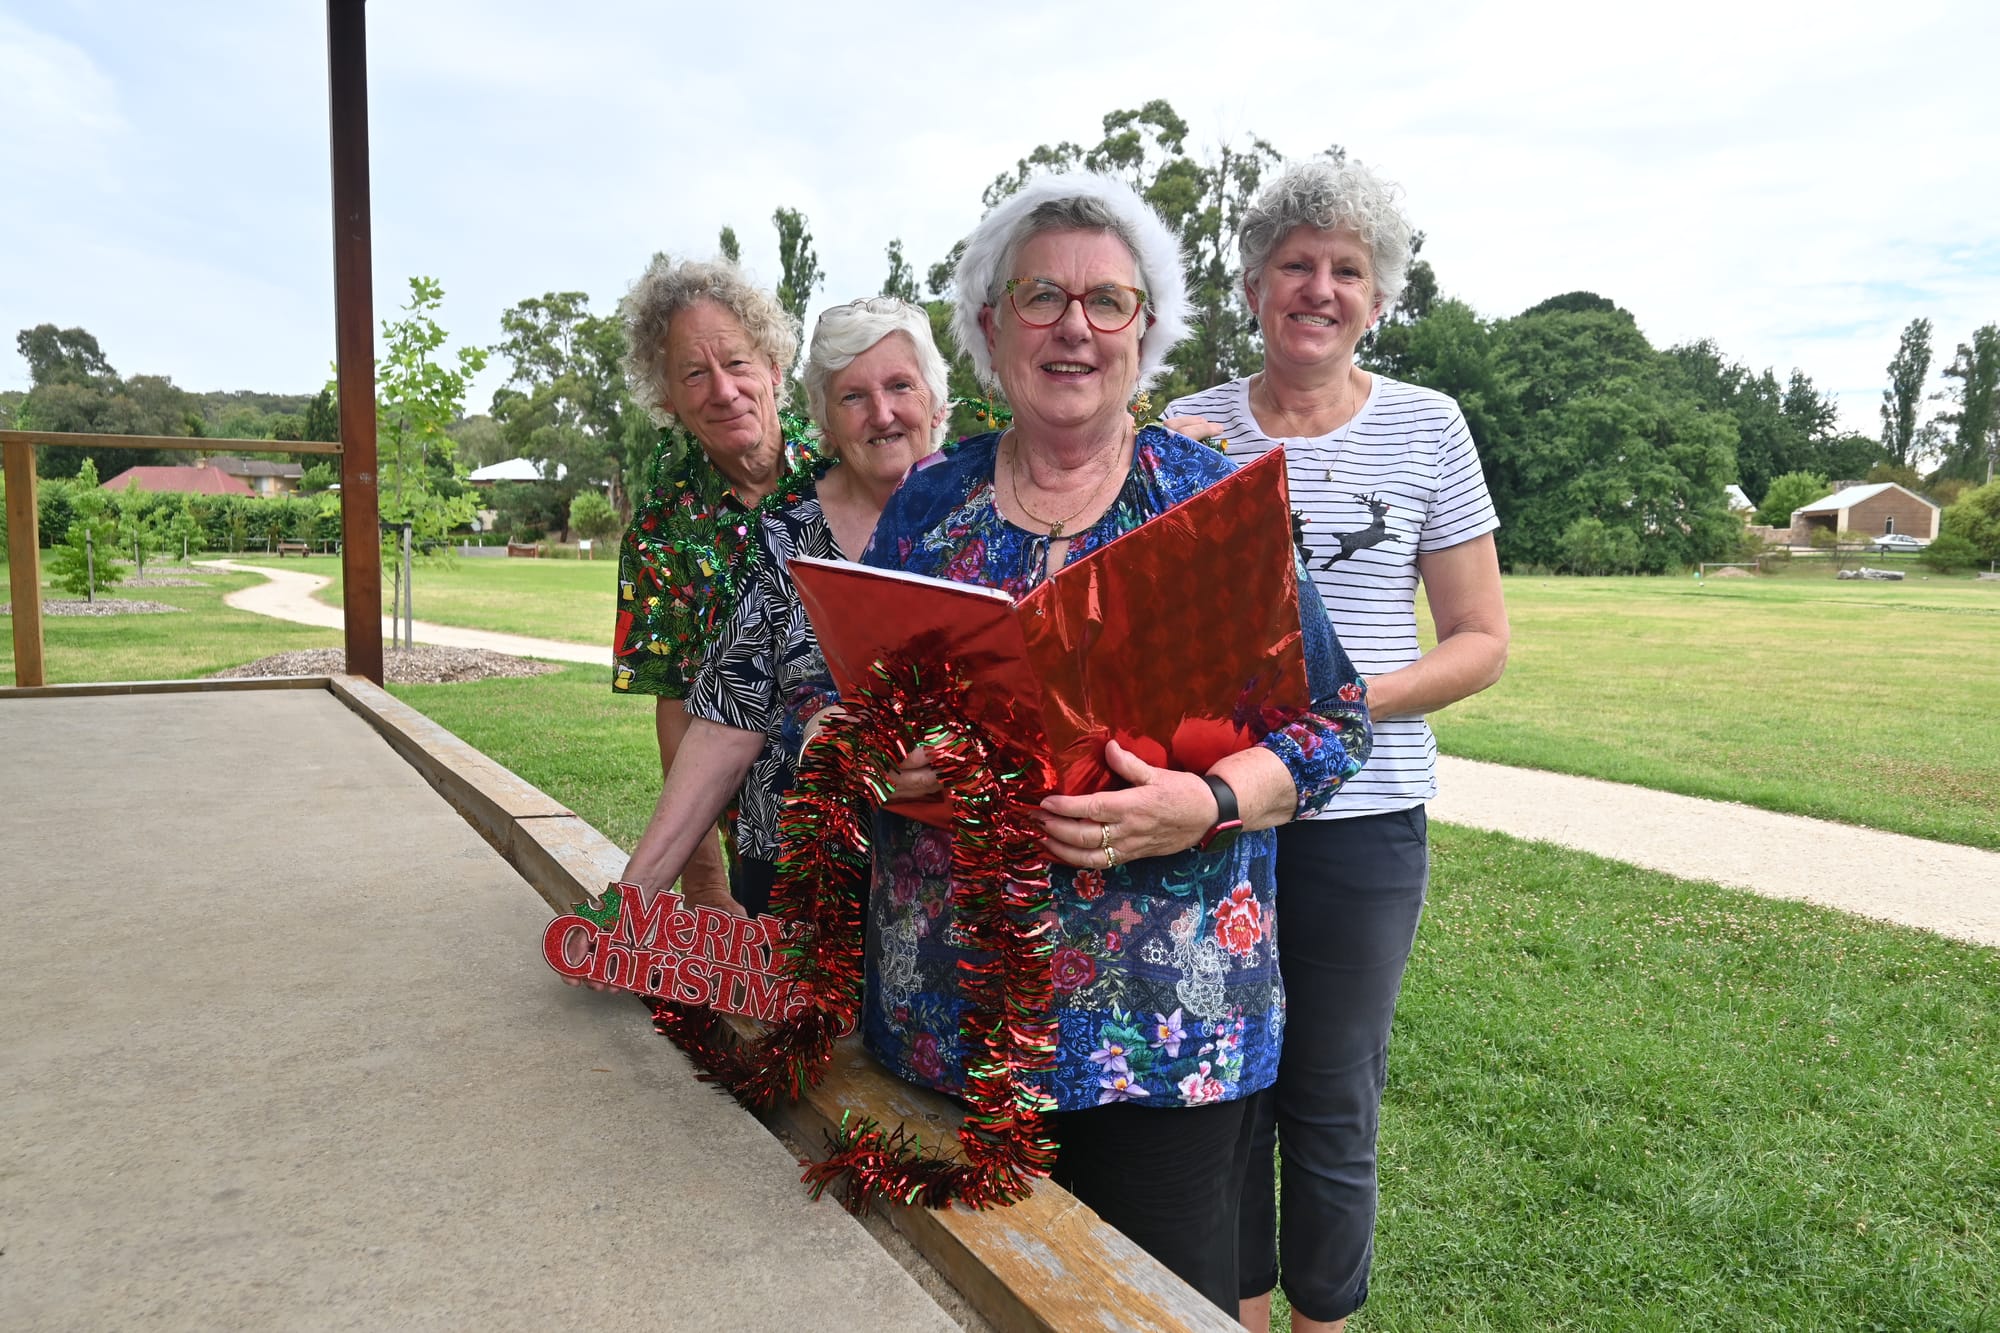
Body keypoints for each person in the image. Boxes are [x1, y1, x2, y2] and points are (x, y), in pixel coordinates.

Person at [802, 173, 1374, 1314]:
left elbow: (1333, 721)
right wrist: (875, 756)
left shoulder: (1206, 502)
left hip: (1168, 1032)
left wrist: (1202, 802)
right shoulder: (926, 508)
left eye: (1106, 301)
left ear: (1144, 332)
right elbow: (835, 709)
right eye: (1038, 297)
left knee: (1156, 1307)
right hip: (954, 1015)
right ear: (986, 327)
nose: (1072, 326)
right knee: (969, 1300)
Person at [1165, 159, 1510, 1333]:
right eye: (1295, 264)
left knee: (1328, 1099)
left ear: (1377, 296)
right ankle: (1239, 1315)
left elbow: (1477, 641)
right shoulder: (1186, 428)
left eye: (1346, 270)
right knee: (1225, 1099)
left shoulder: (1425, 427)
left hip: (1362, 823)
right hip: (1211, 817)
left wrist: (1344, 712)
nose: (1317, 287)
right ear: (1254, 281)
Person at [617, 297, 951, 913]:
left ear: (935, 397)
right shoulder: (782, 538)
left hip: (955, 884)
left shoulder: (992, 515)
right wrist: (634, 900)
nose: (881, 413)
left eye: (901, 385)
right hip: (799, 868)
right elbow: (718, 718)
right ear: (826, 419)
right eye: (852, 397)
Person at [613, 257, 819, 910]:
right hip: (761, 838)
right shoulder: (659, 535)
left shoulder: (850, 470)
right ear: (667, 396)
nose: (723, 391)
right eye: (694, 374)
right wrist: (702, 879)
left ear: (775, 369)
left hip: (893, 821)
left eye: (736, 363)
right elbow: (675, 705)